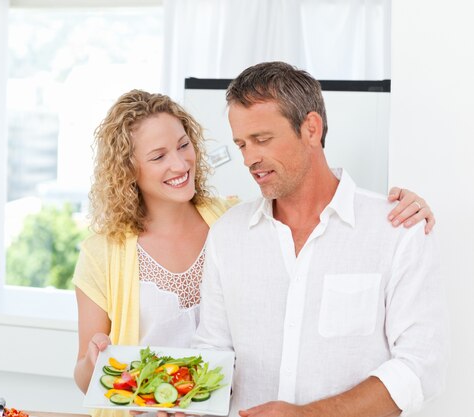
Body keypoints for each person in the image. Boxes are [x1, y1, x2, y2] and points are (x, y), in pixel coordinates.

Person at [72, 89, 435, 416]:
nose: (180, 164)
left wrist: (405, 210)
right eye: (158, 156)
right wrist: (102, 366)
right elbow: (93, 374)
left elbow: (420, 364)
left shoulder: (233, 221)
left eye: (184, 146)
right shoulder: (105, 253)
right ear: (128, 170)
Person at [193, 62, 448, 417]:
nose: (250, 158)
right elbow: (213, 352)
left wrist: (309, 414)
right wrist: (183, 400)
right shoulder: (227, 234)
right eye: (241, 144)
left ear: (311, 128)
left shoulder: (397, 229)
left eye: (262, 140)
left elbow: (420, 367)